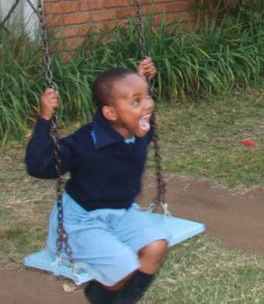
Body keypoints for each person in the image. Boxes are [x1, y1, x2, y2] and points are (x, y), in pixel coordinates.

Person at [26, 58, 169, 304]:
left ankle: (108, 297)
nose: (148, 106)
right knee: (124, 266)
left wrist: (140, 82)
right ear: (110, 113)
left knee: (157, 246)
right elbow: (39, 166)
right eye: (137, 101)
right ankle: (105, 296)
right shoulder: (84, 143)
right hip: (82, 220)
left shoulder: (137, 132)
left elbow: (138, 114)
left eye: (146, 97)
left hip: (122, 213)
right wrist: (44, 119)